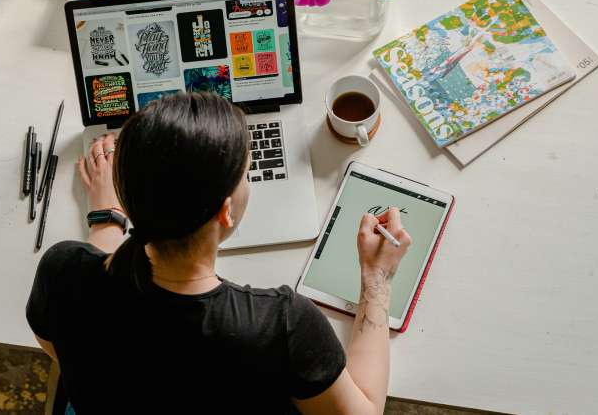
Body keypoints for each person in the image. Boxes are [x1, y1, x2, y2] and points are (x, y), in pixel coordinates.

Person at [26, 92, 412, 414]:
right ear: (226, 211)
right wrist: (377, 279)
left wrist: (106, 220)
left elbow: (59, 348)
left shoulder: (62, 272)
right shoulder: (281, 325)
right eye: (246, 173)